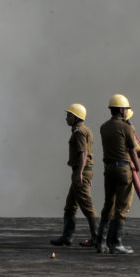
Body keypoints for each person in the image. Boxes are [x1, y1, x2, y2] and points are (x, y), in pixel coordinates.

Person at [93, 93, 140, 254]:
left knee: (108, 205)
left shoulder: (103, 127)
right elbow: (132, 150)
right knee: (122, 206)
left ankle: (101, 242)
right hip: (123, 169)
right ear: (121, 110)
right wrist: (137, 166)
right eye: (126, 109)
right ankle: (116, 243)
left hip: (108, 169)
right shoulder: (126, 127)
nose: (127, 112)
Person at [50, 103, 98, 247]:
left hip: (80, 171)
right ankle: (67, 236)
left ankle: (97, 237)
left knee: (87, 206)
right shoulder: (85, 130)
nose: (66, 118)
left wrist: (80, 173)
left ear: (77, 117)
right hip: (82, 171)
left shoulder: (79, 132)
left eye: (69, 115)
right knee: (70, 206)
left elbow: (83, 154)